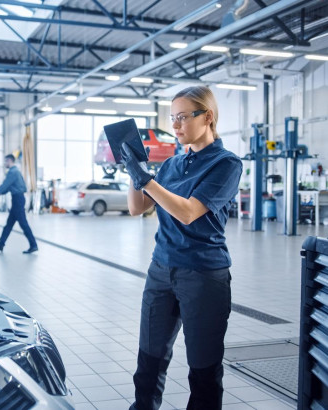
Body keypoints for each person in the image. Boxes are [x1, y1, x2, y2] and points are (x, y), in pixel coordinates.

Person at [121, 86, 242, 410]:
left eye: (182, 118)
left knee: (203, 372)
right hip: (161, 270)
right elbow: (137, 208)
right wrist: (133, 173)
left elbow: (188, 212)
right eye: (172, 118)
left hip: (203, 275)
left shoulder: (227, 164)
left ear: (208, 117)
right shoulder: (172, 165)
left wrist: (147, 180)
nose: (175, 126)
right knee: (148, 363)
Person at [0, 154, 38, 254]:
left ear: (10, 161)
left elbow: (5, 185)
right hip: (17, 199)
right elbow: (7, 188)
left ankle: (33, 245)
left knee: (23, 224)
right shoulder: (15, 172)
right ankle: (1, 244)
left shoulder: (13, 172)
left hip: (18, 199)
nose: (5, 163)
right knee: (9, 224)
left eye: (6, 161)